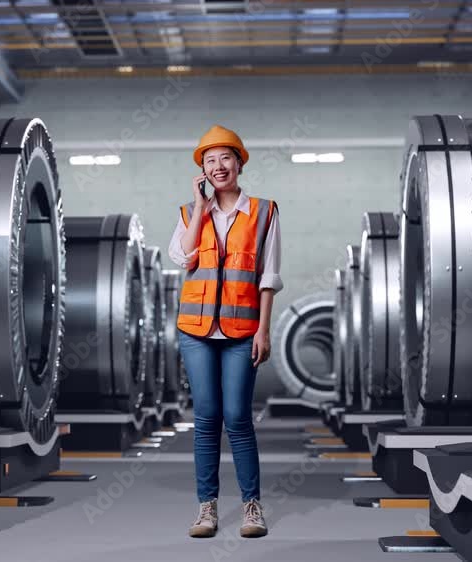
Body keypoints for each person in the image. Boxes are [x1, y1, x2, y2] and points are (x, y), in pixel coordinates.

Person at [168, 124, 283, 539]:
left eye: (225, 158)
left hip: (241, 331)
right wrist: (200, 208)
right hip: (195, 330)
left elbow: (269, 276)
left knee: (237, 418)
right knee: (206, 418)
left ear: (239, 163)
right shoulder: (187, 213)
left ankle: (252, 507)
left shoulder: (265, 212)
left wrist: (263, 330)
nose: (218, 167)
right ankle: (207, 508)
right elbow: (182, 257)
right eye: (209, 161)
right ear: (202, 170)